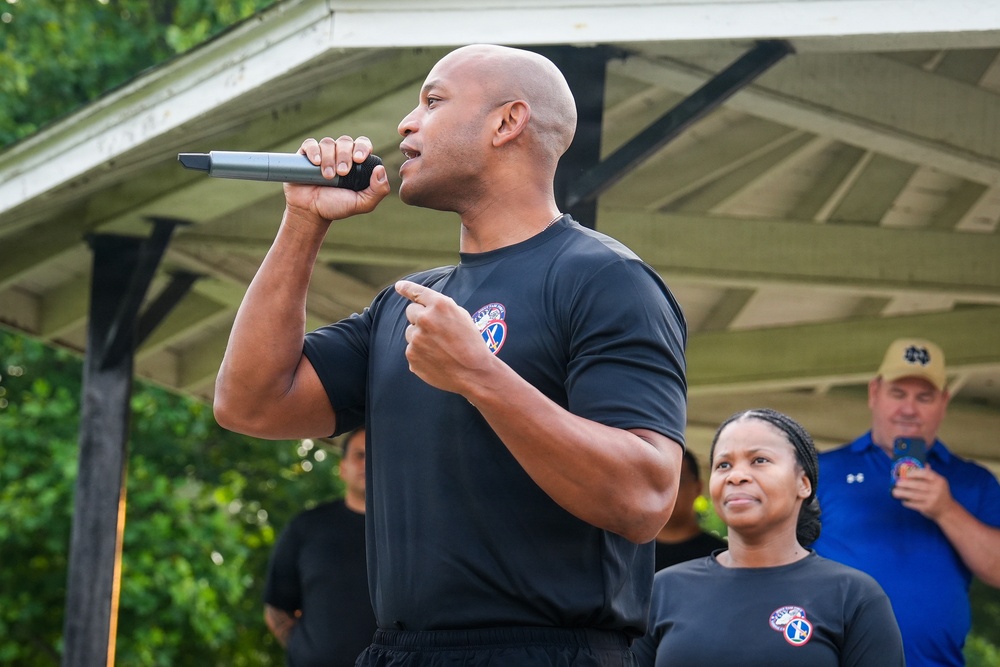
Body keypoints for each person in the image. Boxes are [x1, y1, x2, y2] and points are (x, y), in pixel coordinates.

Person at [213, 44, 688, 666]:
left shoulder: (605, 279)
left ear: (507, 122)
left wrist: (479, 376)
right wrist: (304, 221)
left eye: (432, 101)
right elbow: (249, 403)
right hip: (400, 651)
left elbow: (646, 497)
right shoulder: (408, 304)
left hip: (551, 651)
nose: (406, 123)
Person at [632, 408, 905, 667]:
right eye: (724, 464)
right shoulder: (663, 590)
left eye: (759, 460)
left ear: (803, 483)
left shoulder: (854, 596)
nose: (736, 476)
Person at [812, 338, 1000, 666]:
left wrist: (946, 509)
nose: (909, 409)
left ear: (944, 402)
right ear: (874, 393)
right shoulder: (821, 471)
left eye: (924, 397)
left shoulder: (974, 481)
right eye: (898, 394)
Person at [262, 427, 377, 667]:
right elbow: (276, 606)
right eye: (360, 455)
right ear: (342, 467)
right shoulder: (306, 527)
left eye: (376, 455)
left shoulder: (410, 532)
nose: (368, 463)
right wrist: (302, 650)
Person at [652, 449, 726, 570]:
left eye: (678, 481)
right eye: (657, 481)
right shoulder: (628, 553)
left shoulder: (719, 557)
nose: (666, 489)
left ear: (698, 488)